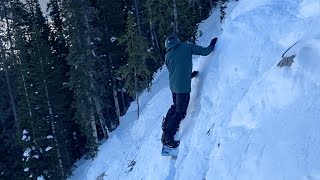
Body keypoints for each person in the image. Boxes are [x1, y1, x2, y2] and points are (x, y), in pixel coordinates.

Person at [161, 34, 218, 148]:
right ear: (177, 41)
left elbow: (174, 71)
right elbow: (205, 51)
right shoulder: (186, 47)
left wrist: (189, 75)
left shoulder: (167, 55)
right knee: (180, 112)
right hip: (182, 88)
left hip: (173, 86)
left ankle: (166, 124)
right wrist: (211, 46)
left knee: (175, 105)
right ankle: (168, 137)